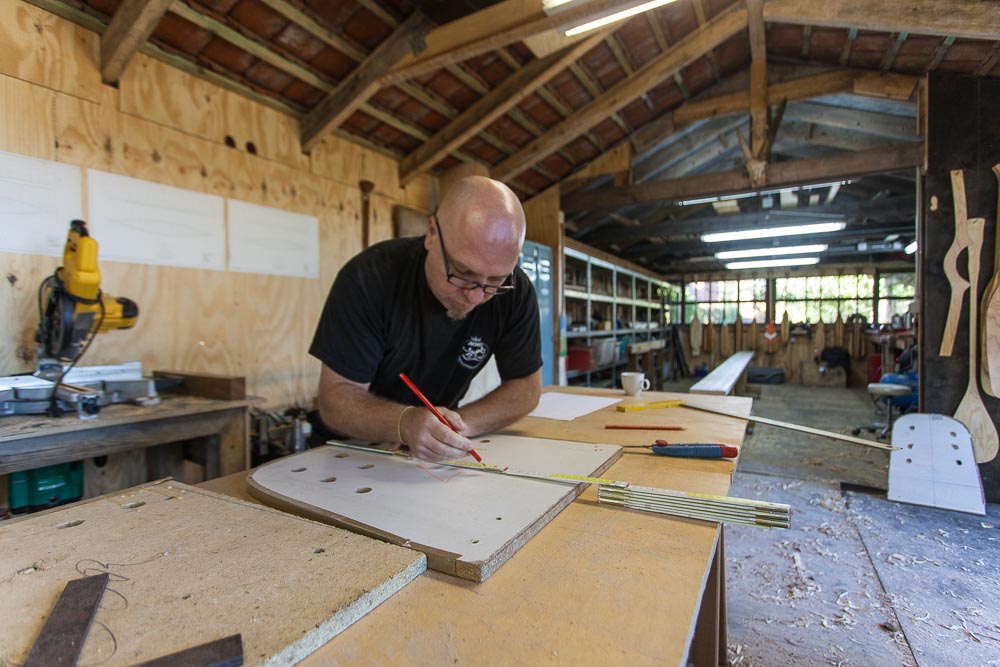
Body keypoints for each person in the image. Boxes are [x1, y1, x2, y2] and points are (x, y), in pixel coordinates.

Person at [310, 176, 543, 462]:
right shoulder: (368, 279)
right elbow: (335, 399)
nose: (475, 297)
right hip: (350, 451)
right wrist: (403, 423)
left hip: (430, 454)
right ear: (432, 234)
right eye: (462, 273)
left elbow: (525, 388)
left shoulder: (515, 292)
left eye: (495, 280)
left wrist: (454, 426)